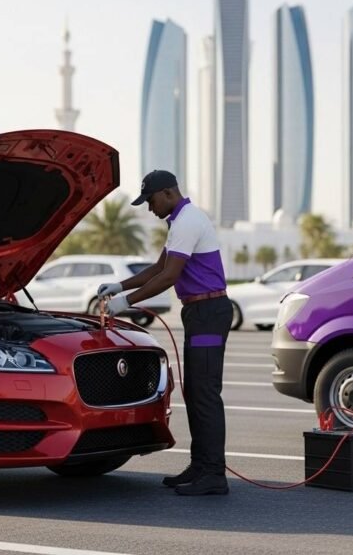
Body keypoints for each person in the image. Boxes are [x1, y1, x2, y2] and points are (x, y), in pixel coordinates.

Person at [98, 170, 232, 496]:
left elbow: (170, 276)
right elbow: (158, 268)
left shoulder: (188, 221)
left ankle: (214, 474)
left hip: (209, 313)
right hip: (199, 313)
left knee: (205, 395)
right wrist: (120, 285)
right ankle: (200, 466)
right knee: (195, 393)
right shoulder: (179, 221)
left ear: (169, 193)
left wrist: (125, 303)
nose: (149, 208)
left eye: (151, 201)